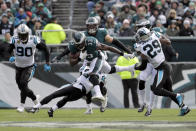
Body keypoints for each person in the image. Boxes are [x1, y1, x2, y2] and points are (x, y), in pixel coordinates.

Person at [133, 27, 190, 116]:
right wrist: (161, 35)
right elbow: (168, 42)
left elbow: (143, 66)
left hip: (162, 69)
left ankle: (178, 96)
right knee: (169, 90)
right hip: (165, 66)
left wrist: (136, 67)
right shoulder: (155, 38)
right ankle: (184, 107)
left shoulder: (142, 49)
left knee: (156, 89)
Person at [8, 24, 51, 112]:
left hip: (29, 67)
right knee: (22, 87)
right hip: (18, 66)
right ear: (18, 35)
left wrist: (47, 63)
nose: (23, 37)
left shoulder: (33, 40)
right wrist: (12, 56)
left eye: (24, 35)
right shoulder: (14, 40)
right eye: (21, 35)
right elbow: (9, 49)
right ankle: (35, 100)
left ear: (28, 34)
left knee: (23, 83)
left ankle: (21, 105)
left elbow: (45, 48)